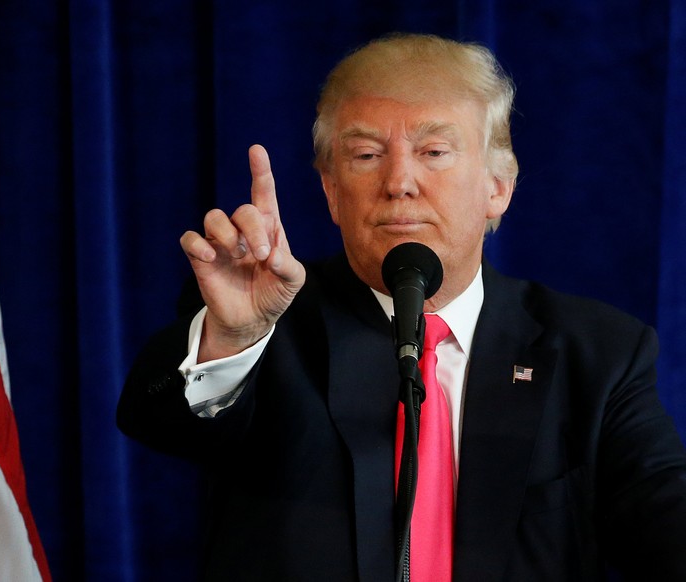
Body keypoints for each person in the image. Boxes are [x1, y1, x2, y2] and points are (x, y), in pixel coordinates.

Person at [117, 33, 686, 581]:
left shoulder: (598, 352)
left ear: (498, 187)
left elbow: (660, 511)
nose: (399, 182)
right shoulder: (264, 321)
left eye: (433, 151)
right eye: (366, 154)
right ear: (332, 192)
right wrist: (234, 340)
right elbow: (157, 425)